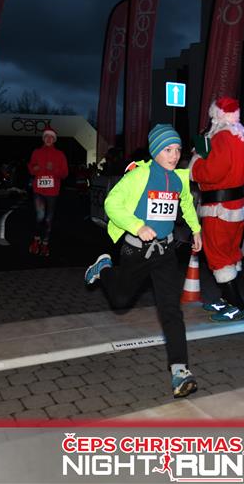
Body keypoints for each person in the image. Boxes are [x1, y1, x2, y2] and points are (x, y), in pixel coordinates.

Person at [84, 124, 202, 398]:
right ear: (155, 151)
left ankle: (180, 371)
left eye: (178, 150)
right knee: (120, 301)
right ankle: (104, 269)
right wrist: (137, 226)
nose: (174, 156)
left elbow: (186, 203)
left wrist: (195, 229)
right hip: (136, 252)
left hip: (166, 253)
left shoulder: (179, 178)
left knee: (171, 310)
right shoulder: (140, 176)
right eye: (167, 150)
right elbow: (112, 203)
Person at [189, 97, 244, 321]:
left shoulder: (222, 138)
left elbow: (213, 172)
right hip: (235, 206)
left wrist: (197, 160)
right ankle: (227, 299)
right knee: (230, 253)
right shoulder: (240, 137)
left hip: (219, 208)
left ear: (217, 116)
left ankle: (236, 304)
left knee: (218, 255)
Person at [27, 126, 68, 257]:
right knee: (40, 216)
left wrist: (54, 169)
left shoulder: (60, 154)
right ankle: (36, 240)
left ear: (54, 140)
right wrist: (34, 168)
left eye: (51, 137)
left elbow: (65, 173)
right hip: (38, 190)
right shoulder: (36, 152)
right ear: (43, 139)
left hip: (52, 192)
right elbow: (31, 167)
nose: (49, 139)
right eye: (46, 137)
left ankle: (45, 243)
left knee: (49, 219)